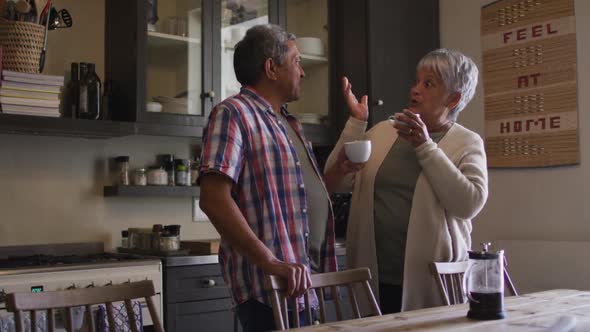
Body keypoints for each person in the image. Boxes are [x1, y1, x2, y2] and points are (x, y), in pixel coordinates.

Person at [199, 24, 348, 332]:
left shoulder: (289, 122)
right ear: (271, 68)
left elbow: (299, 198)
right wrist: (269, 261)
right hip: (270, 286)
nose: (303, 72)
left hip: (304, 281)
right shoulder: (233, 113)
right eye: (296, 61)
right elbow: (213, 199)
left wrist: (336, 174)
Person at [325, 48, 488, 314]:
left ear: (453, 98)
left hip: (433, 283)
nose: (415, 90)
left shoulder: (467, 143)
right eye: (416, 81)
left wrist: (425, 146)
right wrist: (356, 124)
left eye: (429, 84)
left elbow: (468, 204)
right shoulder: (382, 133)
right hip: (372, 279)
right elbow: (335, 182)